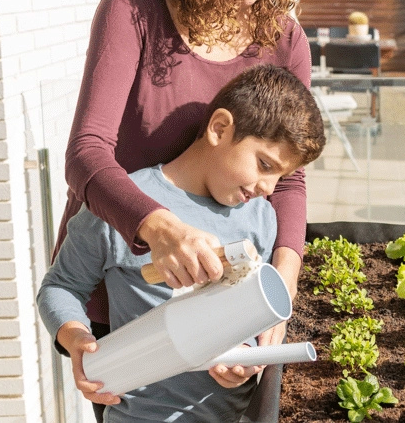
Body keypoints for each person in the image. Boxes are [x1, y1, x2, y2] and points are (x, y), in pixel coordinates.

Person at [56, 0, 319, 362]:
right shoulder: (133, 9)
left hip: (225, 296)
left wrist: (282, 286)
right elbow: (86, 154)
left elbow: (289, 180)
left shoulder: (284, 41)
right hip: (124, 281)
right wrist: (160, 229)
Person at [40, 64, 327, 422]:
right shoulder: (123, 205)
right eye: (264, 164)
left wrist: (246, 357)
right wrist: (76, 340)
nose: (269, 188)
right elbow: (61, 286)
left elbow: (253, 317)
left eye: (280, 176)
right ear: (219, 128)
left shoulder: (261, 219)